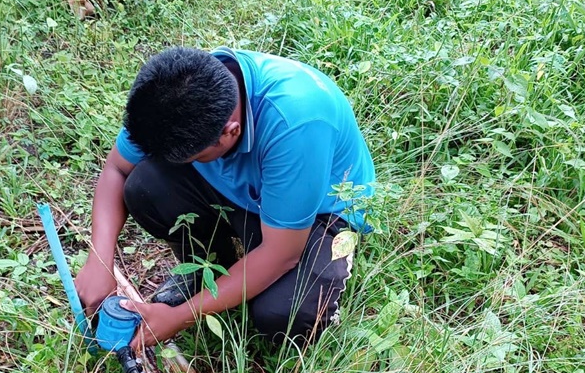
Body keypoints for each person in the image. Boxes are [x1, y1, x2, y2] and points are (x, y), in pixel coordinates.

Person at [75, 46, 375, 348]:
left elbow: (282, 254)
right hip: (250, 193)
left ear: (231, 132)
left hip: (319, 211)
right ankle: (207, 267)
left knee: (284, 313)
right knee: (146, 186)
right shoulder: (167, 98)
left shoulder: (296, 123)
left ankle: (322, 289)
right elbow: (117, 168)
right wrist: (99, 260)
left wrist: (180, 317)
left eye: (195, 157)